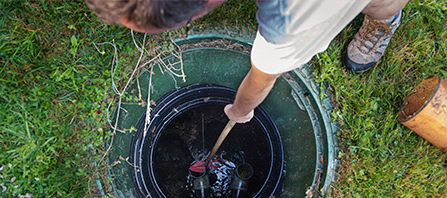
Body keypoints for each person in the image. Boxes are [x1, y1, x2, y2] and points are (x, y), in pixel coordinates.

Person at [85, 0, 408, 123]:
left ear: (199, 11)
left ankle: (385, 16)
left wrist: (239, 111)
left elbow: (264, 77)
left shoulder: (290, 16)